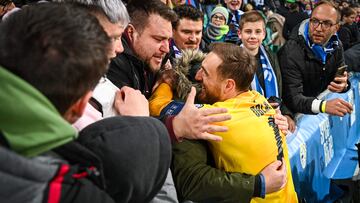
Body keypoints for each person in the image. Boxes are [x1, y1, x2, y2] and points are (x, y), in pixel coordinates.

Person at [0, 3, 171, 203]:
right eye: (108, 38)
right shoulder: (75, 188)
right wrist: (143, 131)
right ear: (80, 105)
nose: (119, 48)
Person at [149, 43, 296, 202]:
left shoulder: (219, 116)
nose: (198, 77)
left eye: (205, 73)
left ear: (228, 85)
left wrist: (167, 80)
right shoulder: (259, 99)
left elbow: (156, 106)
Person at [108, 0, 231, 142]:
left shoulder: (157, 57)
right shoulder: (114, 64)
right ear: (131, 33)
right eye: (159, 39)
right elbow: (127, 133)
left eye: (168, 40)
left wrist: (165, 77)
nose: (166, 48)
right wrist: (175, 127)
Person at [278, 0, 353, 116]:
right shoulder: (290, 52)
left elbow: (339, 78)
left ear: (336, 28)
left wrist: (343, 85)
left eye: (327, 23)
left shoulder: (337, 46)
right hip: (295, 117)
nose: (318, 28)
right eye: (315, 21)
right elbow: (293, 98)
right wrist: (323, 106)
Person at [238, 10, 295, 132]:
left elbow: (281, 89)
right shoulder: (233, 62)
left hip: (277, 119)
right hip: (250, 126)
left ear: (264, 34)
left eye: (258, 32)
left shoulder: (272, 56)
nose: (253, 36)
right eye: (248, 31)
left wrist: (287, 114)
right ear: (239, 34)